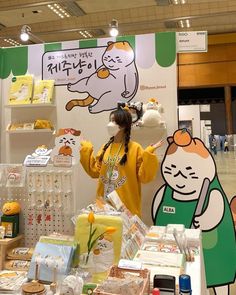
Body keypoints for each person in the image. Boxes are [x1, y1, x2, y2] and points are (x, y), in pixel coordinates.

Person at [80, 105, 163, 217]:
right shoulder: (106, 147)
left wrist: (148, 154)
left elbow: (144, 177)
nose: (110, 124)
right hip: (103, 207)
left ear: (123, 125)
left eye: (114, 121)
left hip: (126, 209)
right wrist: (86, 149)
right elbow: (94, 172)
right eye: (110, 120)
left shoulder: (135, 148)